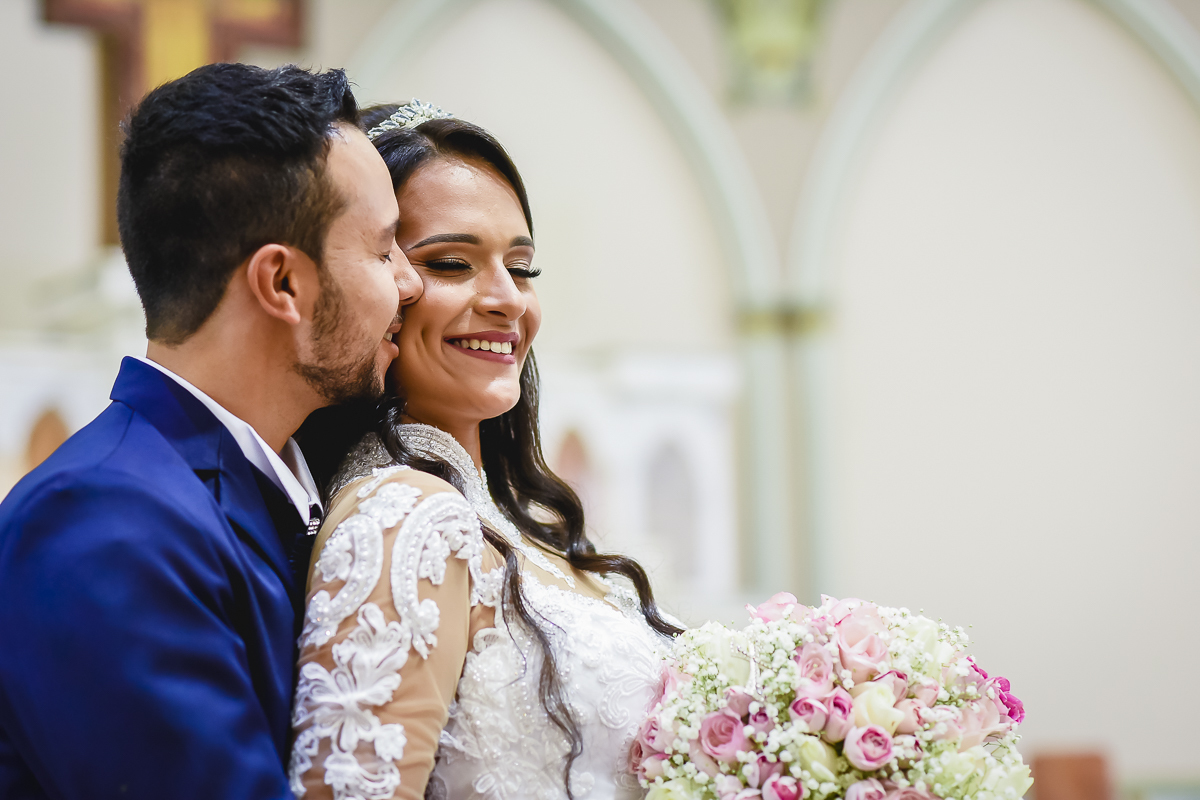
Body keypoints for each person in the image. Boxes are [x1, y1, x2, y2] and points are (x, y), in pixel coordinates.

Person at [0, 64, 421, 799]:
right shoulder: (106, 522)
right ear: (282, 283)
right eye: (384, 251)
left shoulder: (272, 486)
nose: (409, 284)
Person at [288, 101, 682, 800]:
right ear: (374, 281)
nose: (507, 300)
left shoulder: (507, 516)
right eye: (451, 262)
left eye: (522, 267)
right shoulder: (403, 514)